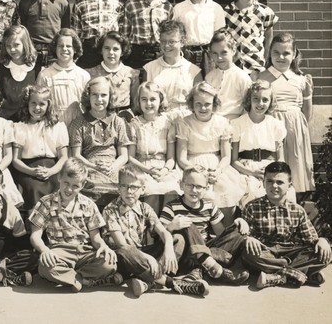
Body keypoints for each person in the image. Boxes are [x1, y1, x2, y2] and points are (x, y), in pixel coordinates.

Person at [102, 166, 209, 297]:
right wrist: (149, 258)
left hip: (143, 254)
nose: (129, 191)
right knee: (126, 251)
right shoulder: (110, 210)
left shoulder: (145, 208)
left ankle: (149, 281)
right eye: (124, 186)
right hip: (123, 259)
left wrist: (168, 248)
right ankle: (170, 283)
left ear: (142, 189)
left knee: (177, 238)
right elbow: (121, 244)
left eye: (134, 187)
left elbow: (164, 232)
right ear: (118, 188)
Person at [29, 159, 121, 292]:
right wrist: (44, 250)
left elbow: (95, 238)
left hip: (84, 251)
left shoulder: (89, 204)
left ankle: (72, 279)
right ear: (59, 178)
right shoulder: (46, 202)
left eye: (75, 186)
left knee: (109, 263)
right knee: (45, 267)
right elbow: (35, 236)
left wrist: (104, 247)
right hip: (60, 251)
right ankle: (87, 281)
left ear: (82, 185)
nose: (69, 189)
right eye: (66, 183)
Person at [241, 161, 331, 289]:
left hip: (289, 251)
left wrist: (322, 240)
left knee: (324, 254)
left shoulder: (297, 210)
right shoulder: (252, 207)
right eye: (270, 181)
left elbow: (311, 239)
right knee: (248, 254)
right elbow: (242, 235)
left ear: (289, 185)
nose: (274, 186)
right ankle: (300, 272)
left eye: (280, 182)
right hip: (264, 252)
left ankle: (278, 277)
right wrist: (248, 238)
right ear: (264, 183)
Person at [160, 168, 250, 286]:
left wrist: (237, 223)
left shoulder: (210, 206)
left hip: (206, 249)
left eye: (199, 187)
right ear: (181, 185)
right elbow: (160, 235)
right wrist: (171, 226)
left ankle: (199, 269)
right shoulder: (171, 207)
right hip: (185, 253)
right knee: (186, 223)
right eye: (189, 185)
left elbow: (221, 233)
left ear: (206, 188)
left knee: (238, 230)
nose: (194, 190)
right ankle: (211, 268)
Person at [176, 82, 246, 225]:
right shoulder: (185, 123)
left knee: (226, 189)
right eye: (198, 104)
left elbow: (226, 156)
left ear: (214, 104)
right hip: (192, 165)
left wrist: (218, 171)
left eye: (207, 104)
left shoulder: (222, 123)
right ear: (192, 104)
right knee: (194, 189)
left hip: (217, 165)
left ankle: (225, 231)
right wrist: (197, 172)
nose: (203, 108)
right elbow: (181, 158)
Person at [258, 32, 314, 194]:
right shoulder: (261, 77)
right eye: (276, 52)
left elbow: (307, 112)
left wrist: (298, 128)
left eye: (286, 53)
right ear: (270, 53)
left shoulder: (301, 79)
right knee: (273, 167)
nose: (281, 57)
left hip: (294, 129)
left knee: (294, 168)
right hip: (271, 127)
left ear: (294, 54)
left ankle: (292, 201)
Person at [69, 76, 130, 205]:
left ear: (110, 96)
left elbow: (124, 155)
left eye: (104, 95)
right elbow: (76, 155)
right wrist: (94, 167)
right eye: (95, 95)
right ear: (88, 96)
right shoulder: (78, 123)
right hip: (89, 168)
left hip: (113, 168)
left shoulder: (118, 122)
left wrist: (113, 167)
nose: (99, 99)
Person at [231, 80, 290, 206]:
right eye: (256, 99)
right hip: (245, 169)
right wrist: (252, 173)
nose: (260, 103)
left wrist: (273, 173)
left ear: (271, 101)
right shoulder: (237, 124)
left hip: (270, 169)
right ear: (249, 100)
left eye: (265, 100)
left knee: (284, 193)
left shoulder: (275, 125)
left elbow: (280, 159)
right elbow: (234, 161)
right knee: (249, 193)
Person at [12, 85, 69, 212]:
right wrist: (31, 171)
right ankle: (33, 221)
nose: (37, 108)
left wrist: (51, 171)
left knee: (58, 184)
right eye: (33, 103)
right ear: (27, 104)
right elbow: (16, 160)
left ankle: (56, 220)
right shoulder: (21, 127)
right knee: (33, 188)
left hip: (53, 168)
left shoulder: (58, 126)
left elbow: (64, 157)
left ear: (48, 105)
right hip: (28, 169)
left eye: (42, 104)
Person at [127, 82, 181, 214]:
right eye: (144, 99)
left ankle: (167, 223)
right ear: (138, 101)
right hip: (142, 168)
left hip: (163, 168)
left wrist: (164, 171)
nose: (148, 103)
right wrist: (148, 171)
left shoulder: (167, 124)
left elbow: (171, 158)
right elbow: (130, 158)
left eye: (152, 99)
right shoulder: (134, 124)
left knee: (171, 188)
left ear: (160, 100)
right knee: (151, 190)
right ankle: (150, 225)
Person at [172, 0, 226, 75]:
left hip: (209, 56)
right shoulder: (179, 8)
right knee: (186, 83)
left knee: (209, 83)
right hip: (186, 54)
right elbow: (175, 36)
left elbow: (220, 38)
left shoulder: (216, 8)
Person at [223, 0, 278, 75]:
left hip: (256, 68)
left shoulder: (265, 12)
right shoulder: (226, 13)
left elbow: (269, 39)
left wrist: (265, 60)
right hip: (233, 68)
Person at [143, 20, 202, 119]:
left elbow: (199, 103)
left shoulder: (194, 71)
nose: (166, 45)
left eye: (171, 42)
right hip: (157, 120)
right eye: (163, 41)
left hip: (185, 121)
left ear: (182, 42)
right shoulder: (149, 69)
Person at [122, 0, 173, 70]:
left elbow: (169, 34)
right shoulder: (131, 5)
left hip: (159, 53)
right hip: (136, 54)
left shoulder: (167, 7)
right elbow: (124, 36)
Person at [72, 0, 123, 69]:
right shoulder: (80, 5)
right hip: (88, 54)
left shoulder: (118, 3)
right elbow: (76, 36)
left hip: (110, 52)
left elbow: (123, 33)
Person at [0, 25, 42, 121]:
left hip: (28, 124)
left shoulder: (37, 69)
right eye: (8, 46)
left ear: (25, 44)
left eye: (16, 45)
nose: (12, 49)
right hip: (3, 123)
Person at [36, 28, 89, 126]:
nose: (64, 49)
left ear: (75, 49)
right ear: (55, 49)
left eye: (68, 46)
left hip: (78, 125)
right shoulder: (45, 74)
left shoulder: (83, 75)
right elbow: (39, 103)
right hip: (53, 124)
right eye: (60, 46)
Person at [87, 31, 139, 121]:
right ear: (101, 50)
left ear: (122, 51)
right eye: (107, 48)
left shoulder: (131, 73)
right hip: (98, 119)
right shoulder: (90, 73)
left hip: (124, 120)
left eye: (115, 49)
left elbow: (136, 104)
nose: (111, 52)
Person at [205, 28, 252, 120]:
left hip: (235, 121)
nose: (219, 58)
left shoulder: (242, 77)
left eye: (224, 53)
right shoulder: (209, 77)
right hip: (213, 121)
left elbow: (248, 107)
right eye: (215, 53)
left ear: (233, 50)